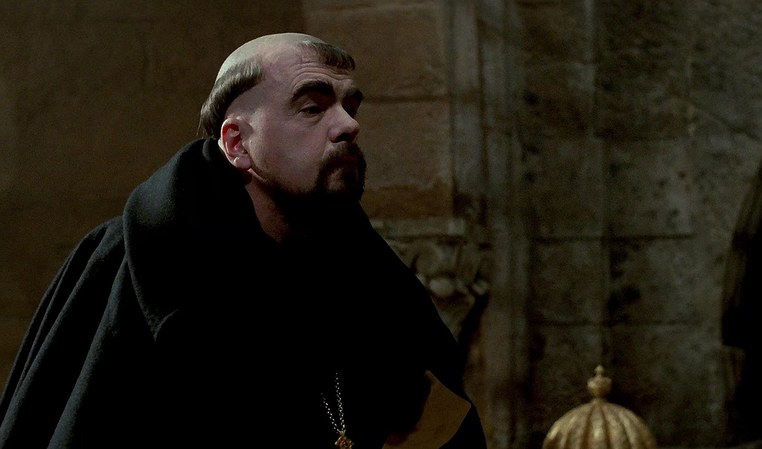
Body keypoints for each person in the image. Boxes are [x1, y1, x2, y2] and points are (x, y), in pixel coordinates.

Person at [0, 33, 487, 449]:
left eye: (350, 107)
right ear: (237, 144)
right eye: (313, 108)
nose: (348, 125)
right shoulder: (137, 260)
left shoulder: (374, 280)